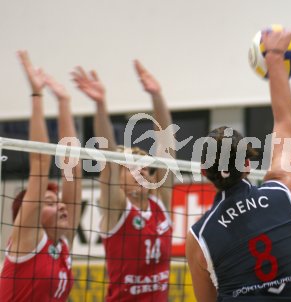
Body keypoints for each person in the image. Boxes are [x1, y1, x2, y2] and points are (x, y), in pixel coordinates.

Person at [186, 29, 291, 301]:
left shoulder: (199, 237)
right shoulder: (283, 191)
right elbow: (284, 123)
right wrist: (275, 58)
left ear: (204, 172)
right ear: (247, 163)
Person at [72, 61, 175, 302]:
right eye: (132, 168)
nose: (143, 172)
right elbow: (107, 155)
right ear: (118, 178)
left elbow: (167, 145)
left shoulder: (161, 204)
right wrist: (100, 105)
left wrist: (157, 96)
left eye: (146, 168)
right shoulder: (117, 209)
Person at [0, 51, 83, 301]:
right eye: (48, 203)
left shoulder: (62, 241)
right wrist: (37, 96)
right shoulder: (27, 238)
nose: (60, 205)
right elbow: (39, 161)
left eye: (56, 200)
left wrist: (64, 103)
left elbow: (73, 170)